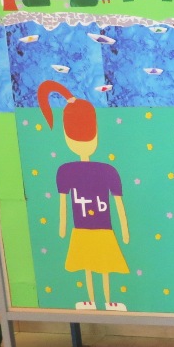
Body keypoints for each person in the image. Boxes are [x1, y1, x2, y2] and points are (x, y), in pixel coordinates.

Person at [37, 80, 130, 312]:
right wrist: (63, 227)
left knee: (103, 265)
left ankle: (108, 300)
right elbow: (64, 203)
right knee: (89, 264)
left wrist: (124, 230)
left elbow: (118, 203)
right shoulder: (67, 171)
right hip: (81, 229)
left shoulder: (106, 171)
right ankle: (91, 299)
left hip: (103, 228)